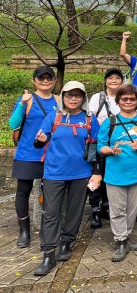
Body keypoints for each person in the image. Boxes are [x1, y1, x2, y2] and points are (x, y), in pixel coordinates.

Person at [32, 81, 101, 275]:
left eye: (77, 95)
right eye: (69, 95)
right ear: (62, 96)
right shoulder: (54, 116)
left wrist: (96, 172)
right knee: (51, 212)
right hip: (54, 172)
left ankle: (67, 242)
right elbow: (38, 142)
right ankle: (48, 253)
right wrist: (39, 140)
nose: (73, 99)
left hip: (81, 172)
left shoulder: (89, 119)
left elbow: (94, 148)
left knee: (74, 211)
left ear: (83, 98)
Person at [97, 84, 137, 262]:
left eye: (132, 99)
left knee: (132, 209)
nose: (128, 101)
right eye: (124, 98)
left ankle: (126, 236)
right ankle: (120, 241)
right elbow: (100, 146)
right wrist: (110, 150)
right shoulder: (110, 122)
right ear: (118, 101)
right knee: (117, 210)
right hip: (115, 174)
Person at [8, 66, 59, 249]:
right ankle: (24, 231)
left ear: (54, 81)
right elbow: (13, 124)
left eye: (49, 78)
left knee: (52, 193)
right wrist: (21, 104)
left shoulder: (59, 100)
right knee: (23, 191)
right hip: (28, 153)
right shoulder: (27, 100)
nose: (45, 81)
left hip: (51, 154)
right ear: (34, 81)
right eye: (41, 78)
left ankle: (49, 229)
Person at [88, 68, 124, 229]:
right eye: (110, 78)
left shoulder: (125, 97)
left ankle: (107, 206)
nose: (114, 80)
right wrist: (104, 129)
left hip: (118, 144)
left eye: (117, 78)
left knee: (112, 176)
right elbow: (91, 118)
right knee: (96, 176)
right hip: (99, 142)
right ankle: (94, 210)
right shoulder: (98, 97)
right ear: (105, 80)